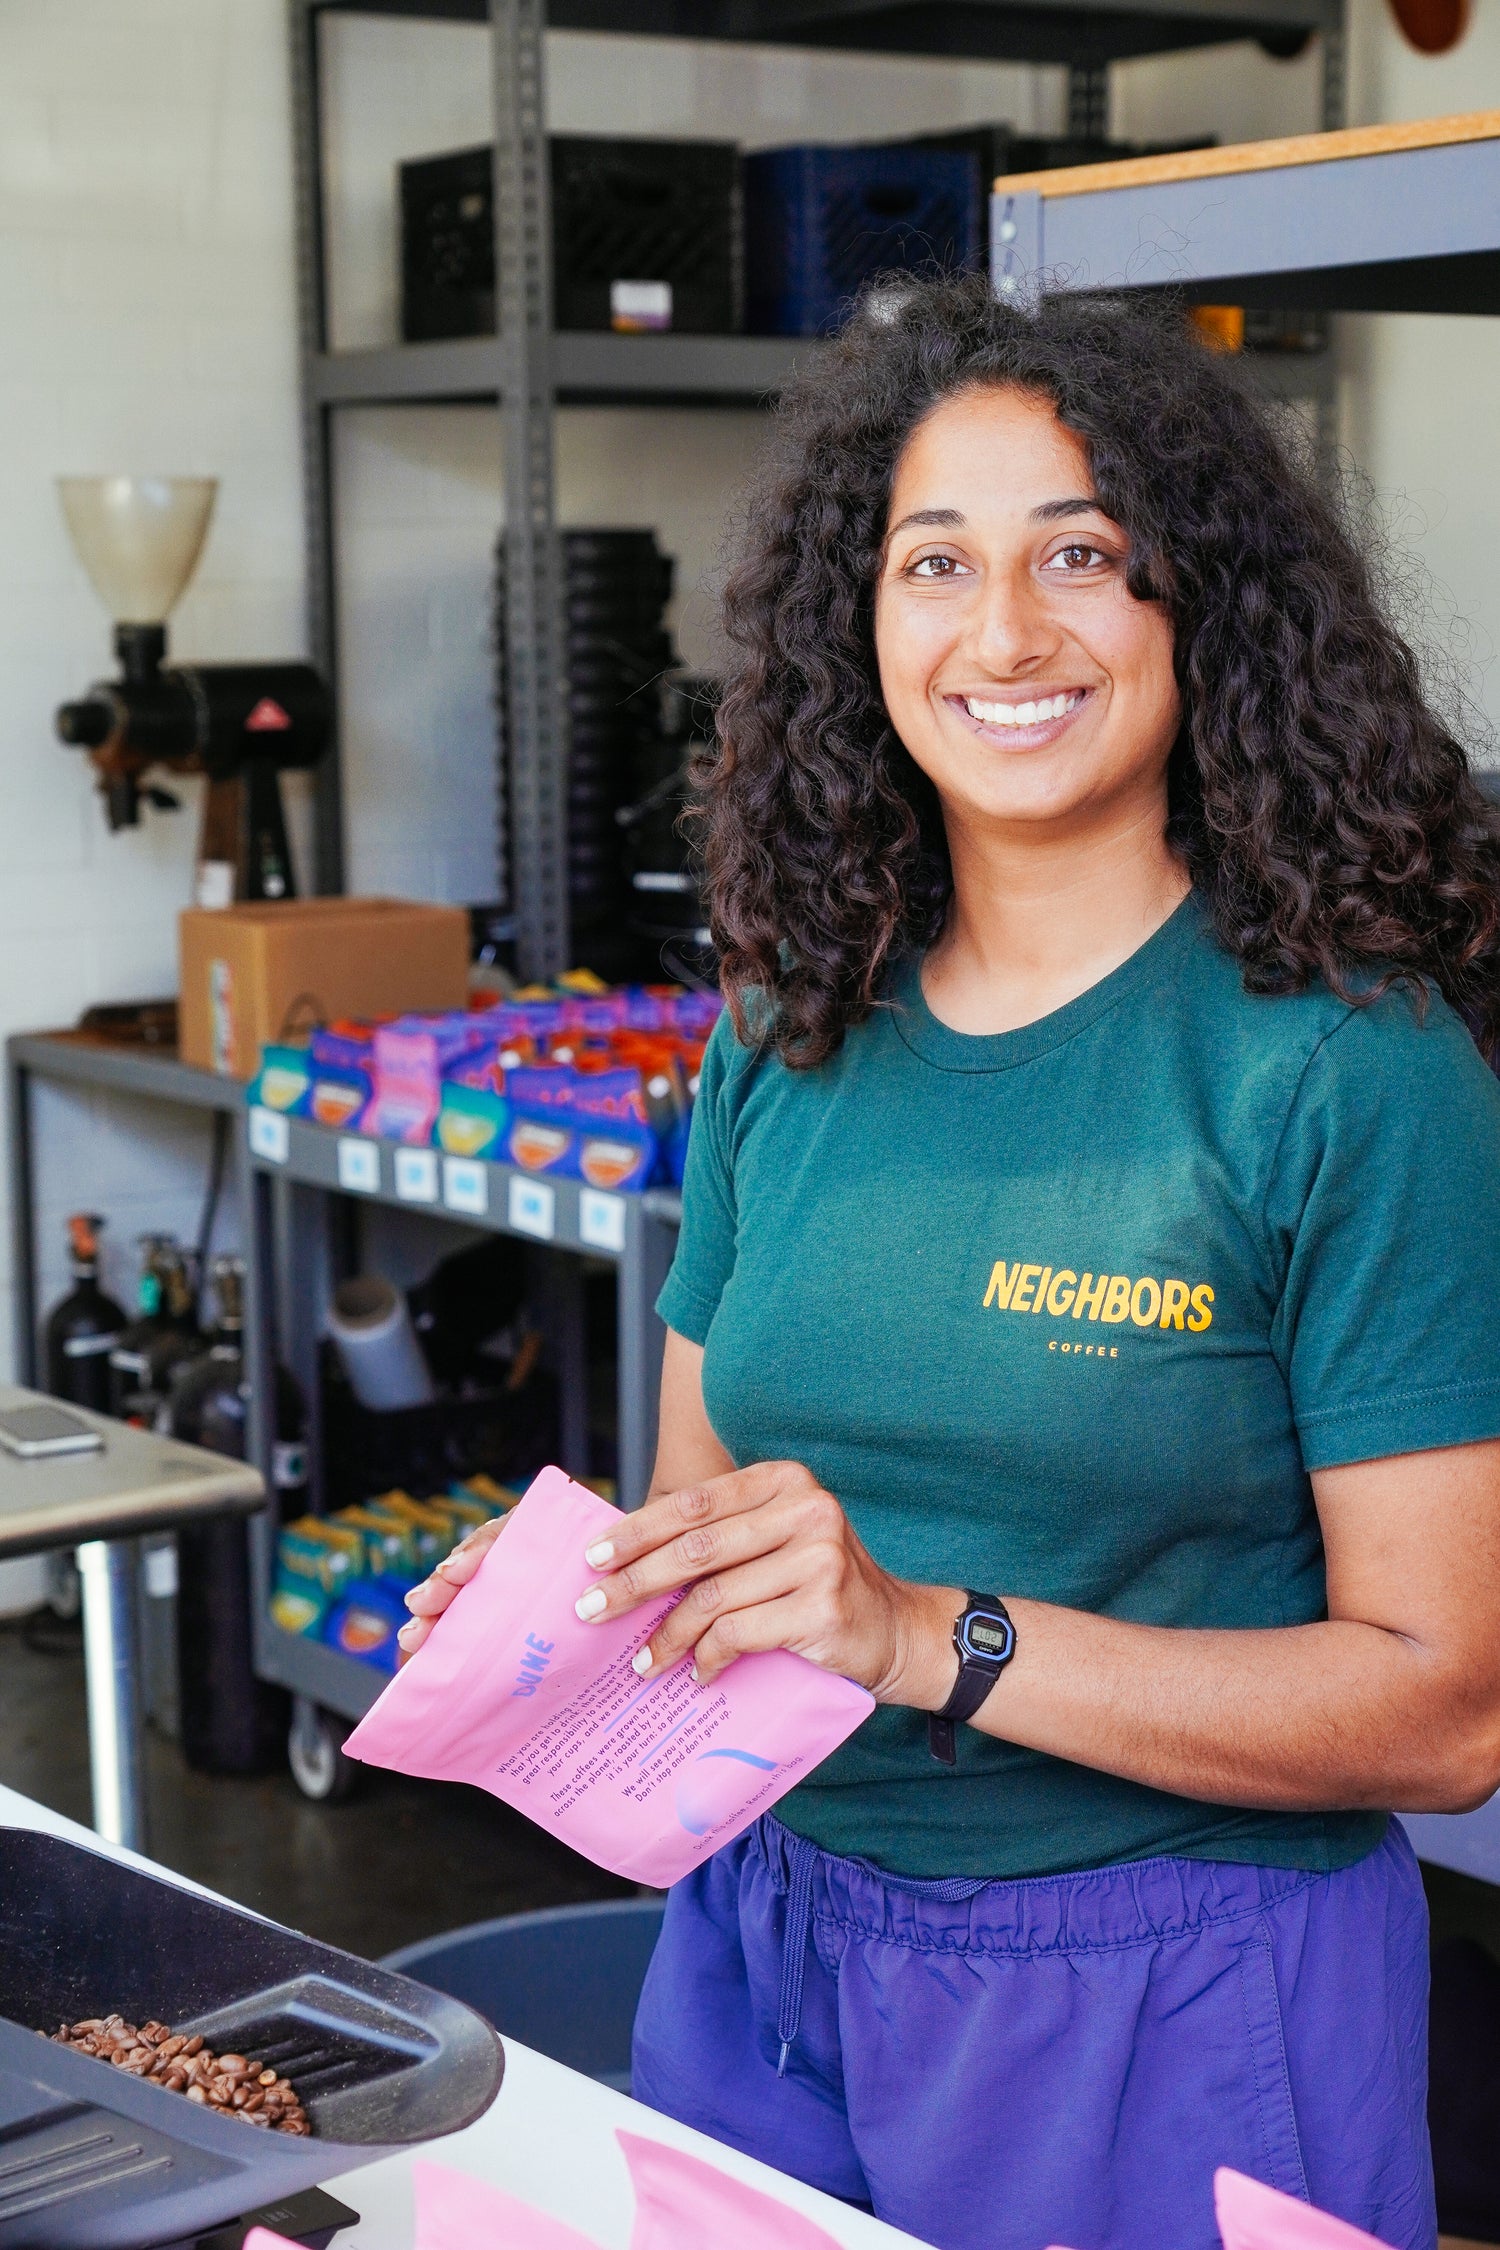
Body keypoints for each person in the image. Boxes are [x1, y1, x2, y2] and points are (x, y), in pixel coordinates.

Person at [400, 275, 1500, 2250]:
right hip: (763, 1939)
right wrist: (573, 1609)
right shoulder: (789, 1023)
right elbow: (704, 1510)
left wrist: (930, 1639)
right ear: (860, 621)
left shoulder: (1345, 1070)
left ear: (1200, 602)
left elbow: (1451, 1713)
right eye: (936, 563)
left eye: (1082, 553)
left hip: (1174, 1990)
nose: (1006, 633)